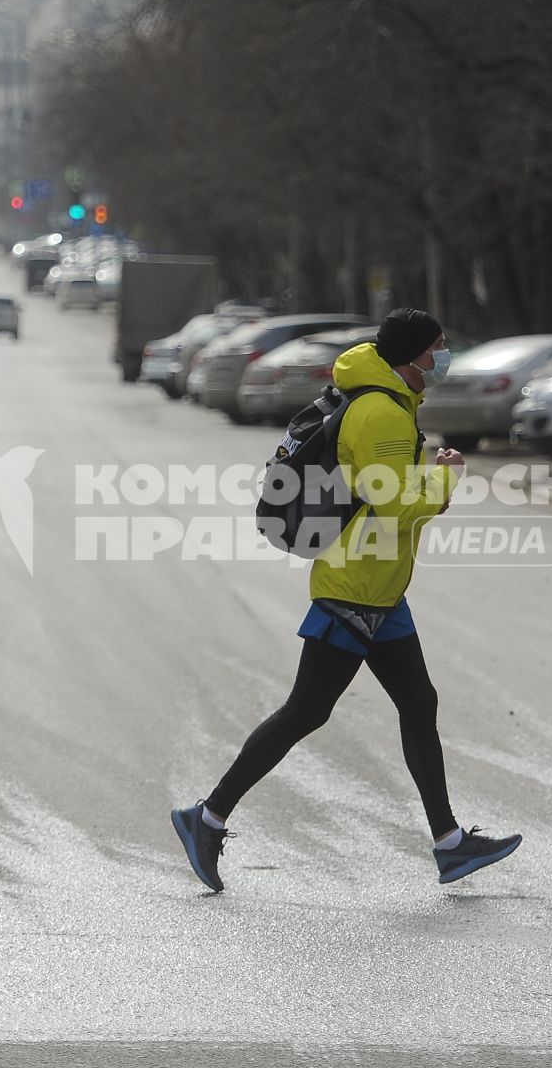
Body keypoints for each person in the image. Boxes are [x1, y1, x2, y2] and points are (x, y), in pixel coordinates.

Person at [172, 309, 522, 892]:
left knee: (418, 702)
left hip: (379, 586)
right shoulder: (381, 412)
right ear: (411, 356)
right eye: (436, 349)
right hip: (356, 586)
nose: (442, 359)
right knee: (306, 712)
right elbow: (393, 503)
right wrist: (446, 478)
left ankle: (449, 844)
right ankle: (206, 818)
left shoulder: (389, 402)